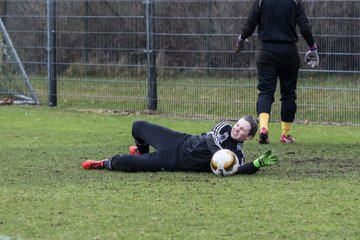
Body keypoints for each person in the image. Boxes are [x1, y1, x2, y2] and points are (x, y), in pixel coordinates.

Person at [235, 0, 319, 144]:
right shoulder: (295, 1)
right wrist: (312, 48)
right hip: (289, 52)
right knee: (288, 94)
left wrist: (242, 39)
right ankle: (285, 135)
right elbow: (305, 27)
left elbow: (250, 23)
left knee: (266, 92)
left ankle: (263, 128)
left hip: (266, 52)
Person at [82, 115, 278, 175]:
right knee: (138, 126)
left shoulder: (237, 155)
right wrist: (222, 156)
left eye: (242, 130)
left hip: (174, 161)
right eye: (238, 125)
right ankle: (141, 152)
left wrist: (257, 164)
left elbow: (239, 169)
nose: (237, 129)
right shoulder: (224, 127)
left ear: (249, 137)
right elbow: (211, 140)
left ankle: (103, 163)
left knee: (125, 163)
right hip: (178, 140)